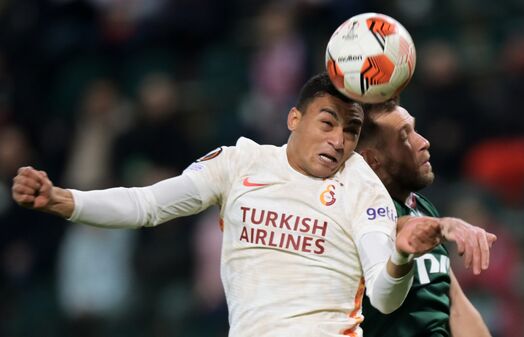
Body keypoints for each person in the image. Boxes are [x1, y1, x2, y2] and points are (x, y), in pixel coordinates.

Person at [12, 72, 493, 337]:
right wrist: (63, 200)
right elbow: (146, 205)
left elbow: (384, 295)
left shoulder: (361, 187)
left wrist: (400, 255)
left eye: (350, 130)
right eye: (327, 123)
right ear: (293, 117)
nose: (338, 140)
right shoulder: (238, 162)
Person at [356, 97, 494, 337]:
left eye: (415, 130)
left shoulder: (421, 206)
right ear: (372, 160)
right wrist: (444, 226)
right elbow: (397, 228)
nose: (423, 142)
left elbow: (456, 307)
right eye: (404, 137)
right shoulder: (358, 212)